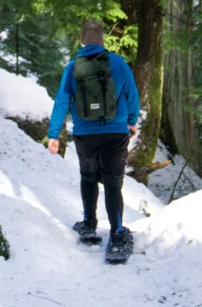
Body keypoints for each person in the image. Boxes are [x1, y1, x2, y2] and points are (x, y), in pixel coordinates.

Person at [47, 19, 140, 261]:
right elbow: (132, 96)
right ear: (102, 41)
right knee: (112, 182)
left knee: (88, 177)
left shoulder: (72, 67)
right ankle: (117, 234)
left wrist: (53, 134)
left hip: (85, 134)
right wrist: (131, 121)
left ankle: (89, 223)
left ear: (81, 41)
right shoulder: (118, 63)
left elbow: (61, 101)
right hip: (115, 133)